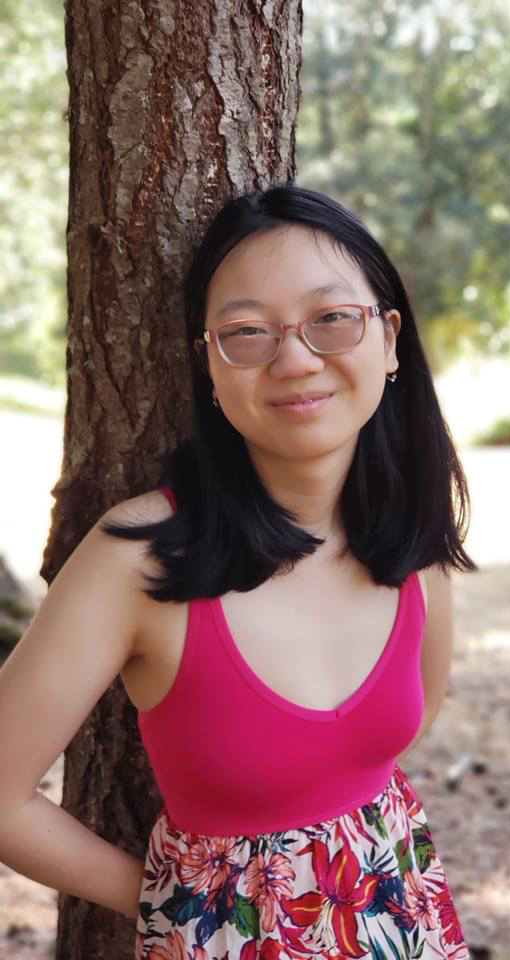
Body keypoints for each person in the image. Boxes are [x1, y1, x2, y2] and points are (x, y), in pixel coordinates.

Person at [0, 183, 477, 959]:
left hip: (404, 922)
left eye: (332, 319)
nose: (295, 359)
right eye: (247, 332)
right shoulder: (141, 557)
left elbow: (410, 722)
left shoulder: (410, 532)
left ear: (390, 340)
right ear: (210, 369)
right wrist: (181, 901)